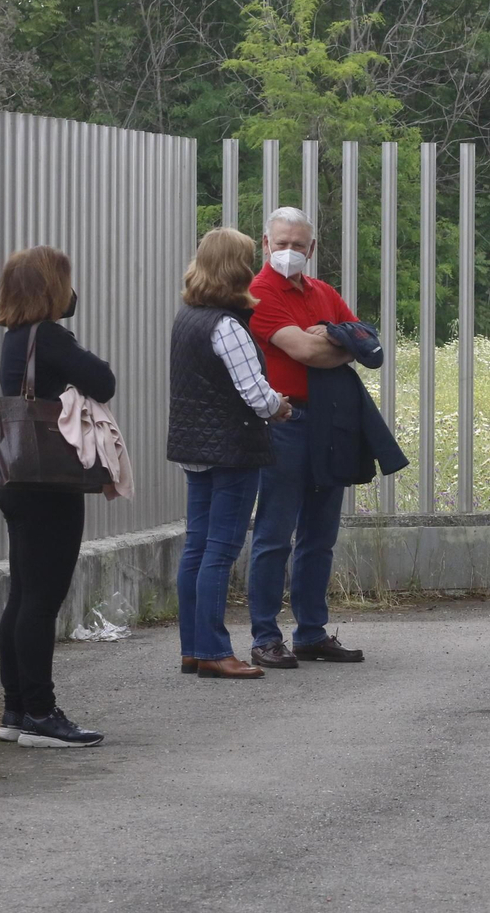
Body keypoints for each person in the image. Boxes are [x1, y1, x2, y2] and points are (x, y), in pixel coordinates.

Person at [0, 247, 116, 748]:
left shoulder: (15, 338)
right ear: (52, 288)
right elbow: (103, 381)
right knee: (42, 602)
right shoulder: (49, 336)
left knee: (22, 595)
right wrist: (66, 324)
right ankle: (42, 714)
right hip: (50, 486)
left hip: (14, 480)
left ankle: (16, 710)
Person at [246, 207, 368, 668]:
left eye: (299, 245)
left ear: (312, 249)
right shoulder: (258, 292)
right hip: (284, 420)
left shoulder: (324, 291)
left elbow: (367, 340)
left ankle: (311, 633)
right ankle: (264, 636)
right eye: (282, 244)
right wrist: (339, 342)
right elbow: (306, 351)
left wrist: (336, 339)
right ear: (265, 244)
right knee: (274, 534)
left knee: (320, 535)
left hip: (328, 422)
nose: (290, 252)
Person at [167, 229, 292, 681]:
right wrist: (280, 405)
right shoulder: (227, 324)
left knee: (196, 547)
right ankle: (216, 651)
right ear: (237, 268)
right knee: (220, 550)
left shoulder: (188, 316)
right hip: (233, 448)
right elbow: (254, 393)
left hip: (194, 448)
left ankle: (193, 649)